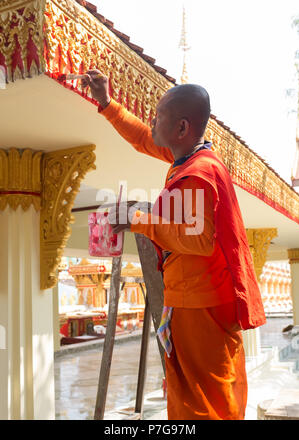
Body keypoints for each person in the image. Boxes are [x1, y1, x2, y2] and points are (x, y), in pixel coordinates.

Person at [82, 70, 266, 420]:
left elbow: (196, 239)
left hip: (202, 304)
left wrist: (135, 218)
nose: (152, 122)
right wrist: (106, 104)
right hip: (194, 298)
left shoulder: (198, 174)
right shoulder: (188, 161)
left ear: (182, 128)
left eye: (159, 117)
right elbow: (141, 137)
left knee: (205, 404)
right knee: (195, 396)